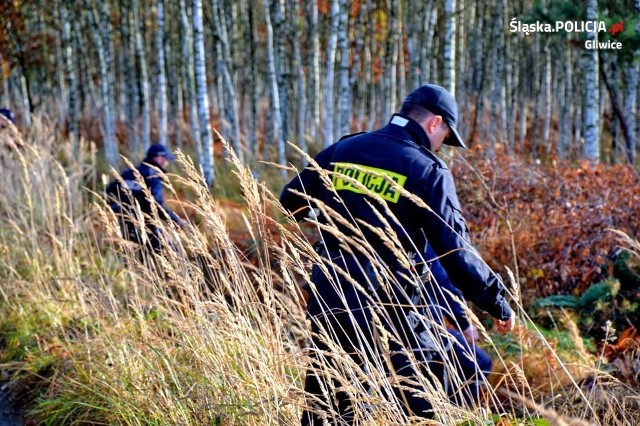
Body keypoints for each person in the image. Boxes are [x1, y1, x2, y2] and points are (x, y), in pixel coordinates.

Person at [280, 84, 515, 423]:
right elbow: (456, 252)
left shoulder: (344, 148)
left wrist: (338, 219)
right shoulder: (427, 170)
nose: (442, 147)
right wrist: (496, 301)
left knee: (327, 401)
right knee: (421, 394)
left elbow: (291, 204)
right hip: (389, 301)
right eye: (445, 137)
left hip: (331, 289)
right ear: (435, 123)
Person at [106, 143, 187, 253]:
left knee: (134, 259)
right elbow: (157, 205)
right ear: (159, 159)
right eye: (166, 159)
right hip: (147, 227)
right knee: (173, 253)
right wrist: (176, 220)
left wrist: (117, 209)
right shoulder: (153, 176)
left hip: (125, 227)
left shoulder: (128, 173)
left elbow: (109, 191)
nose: (166, 163)